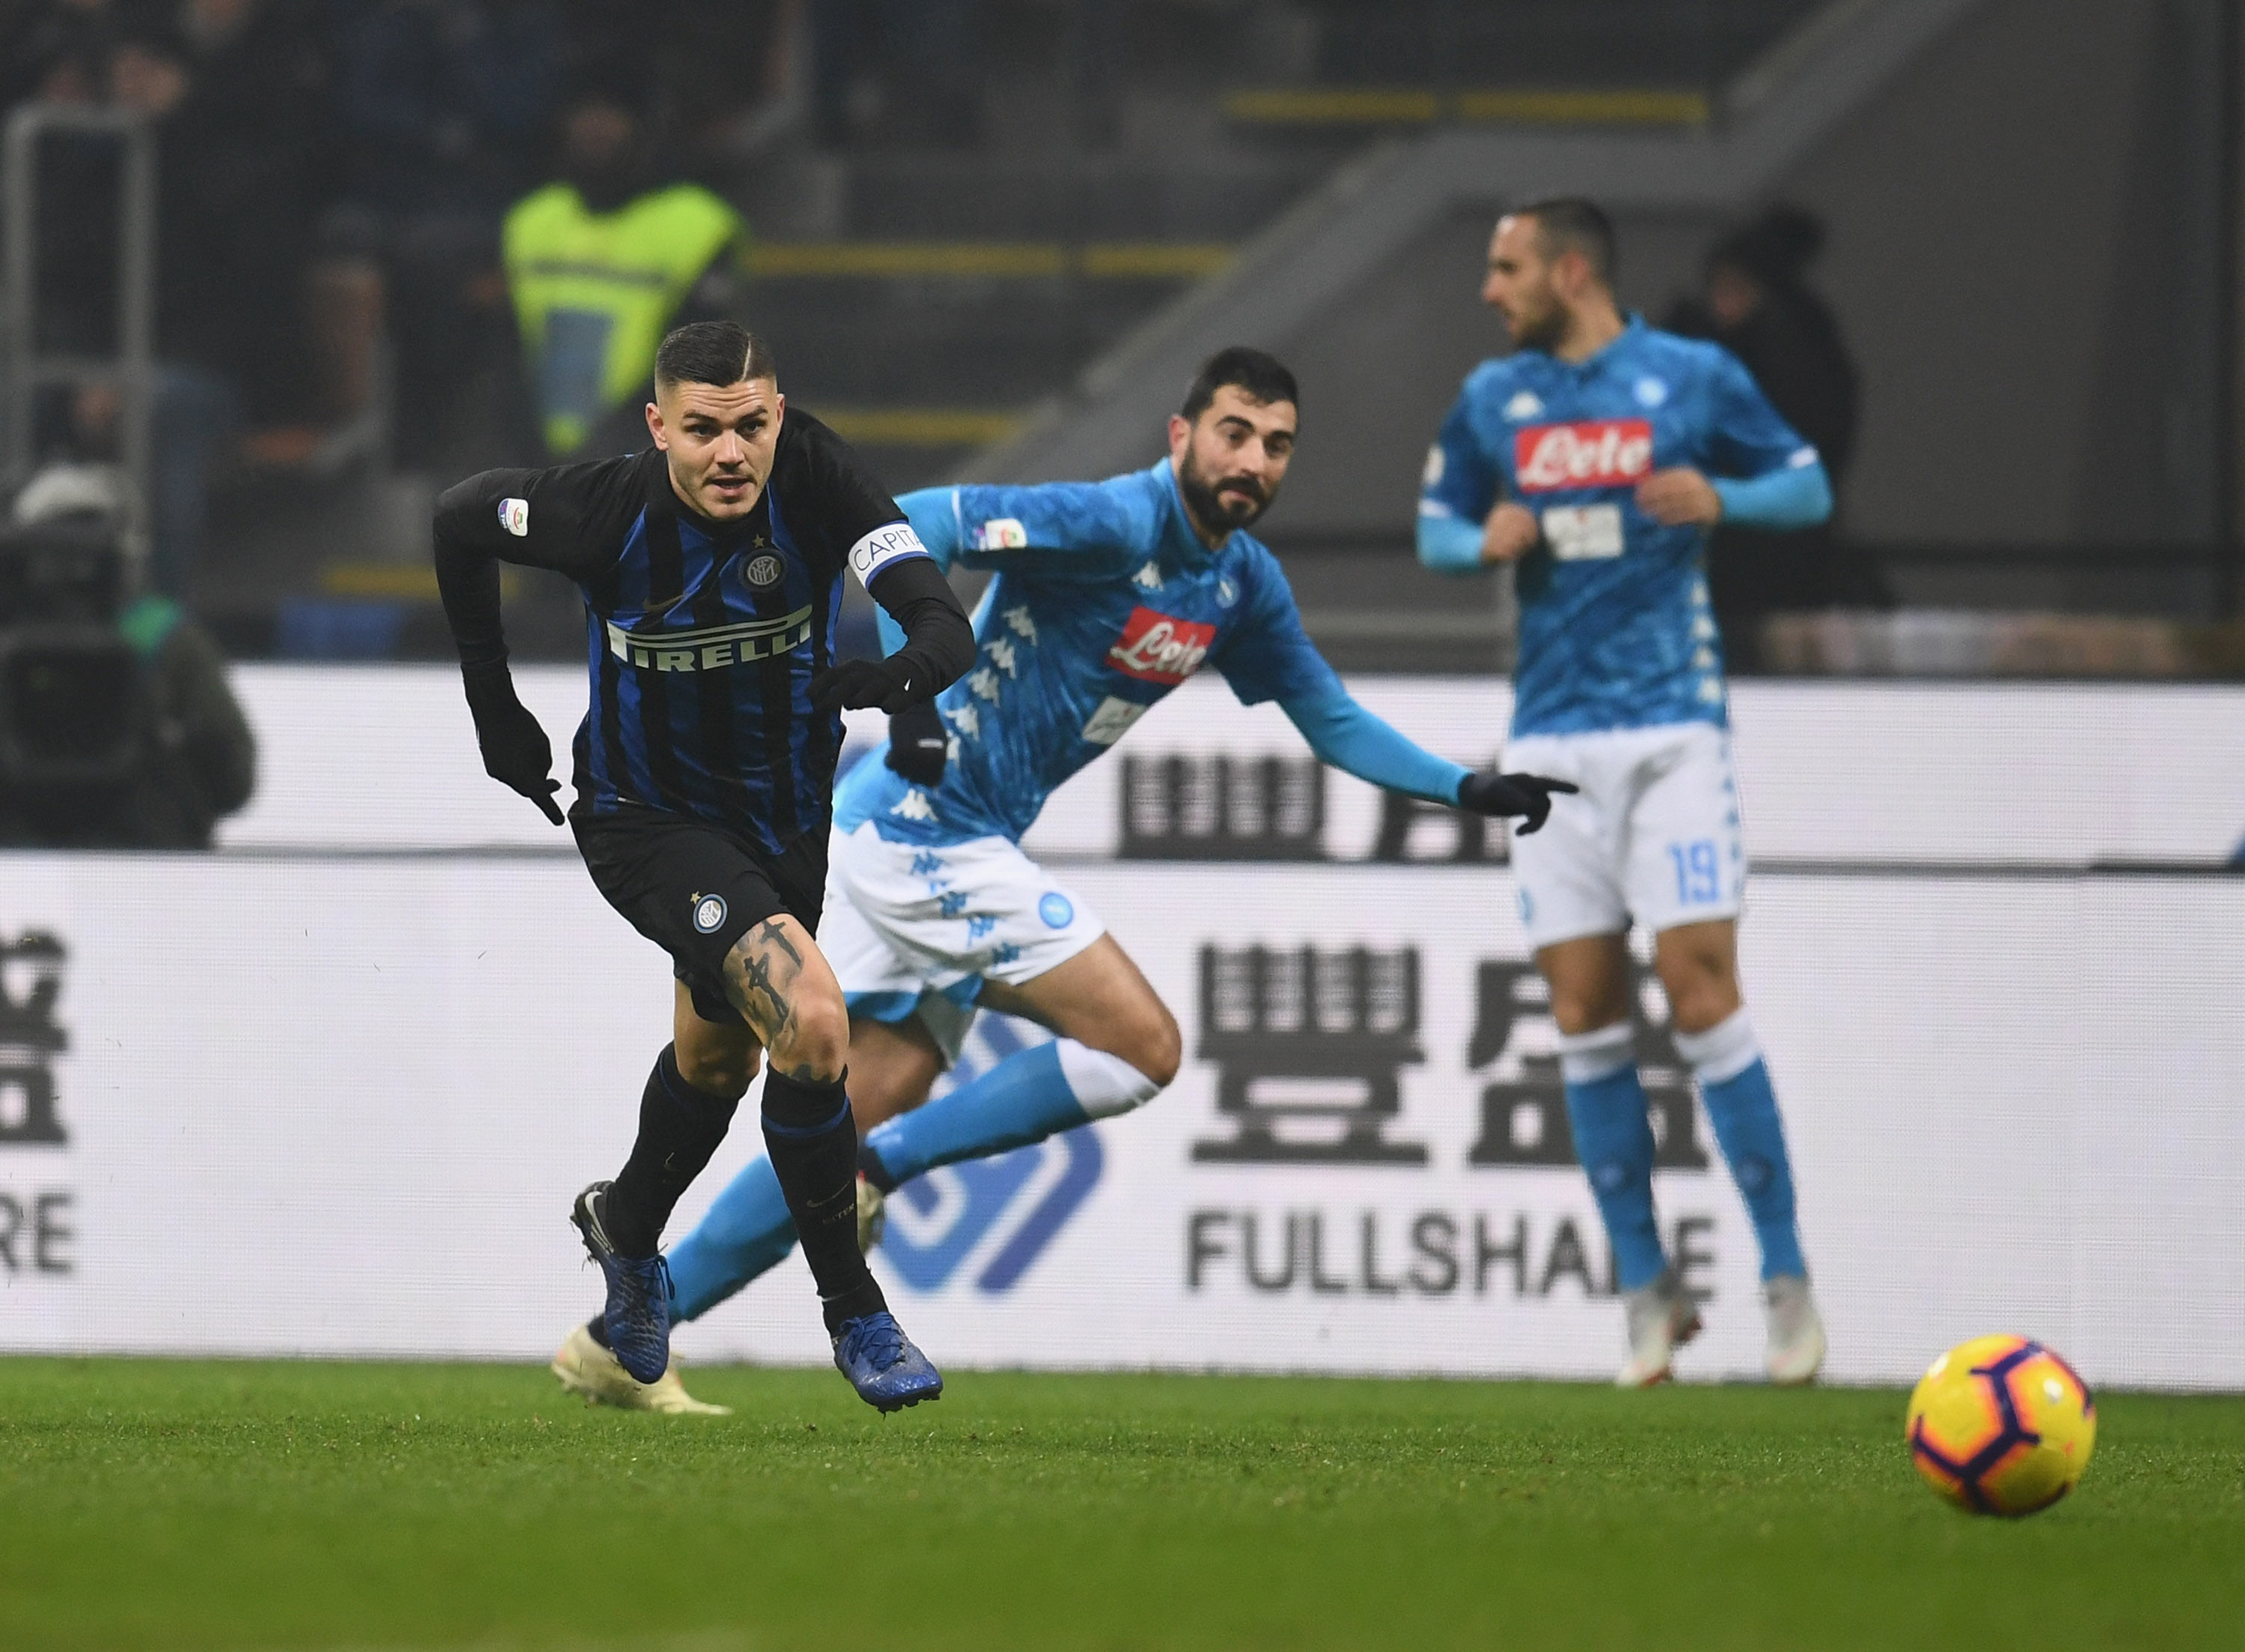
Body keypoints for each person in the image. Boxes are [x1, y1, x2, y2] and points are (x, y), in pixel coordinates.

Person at [547, 346, 1575, 1413]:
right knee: (1143, 1047)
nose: (1253, 461)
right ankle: (868, 1180)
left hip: (927, 837)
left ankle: (614, 1343)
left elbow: (1331, 717)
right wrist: (912, 696)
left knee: (835, 1121)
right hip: (922, 831)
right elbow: (921, 522)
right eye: (1233, 433)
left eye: (1277, 446)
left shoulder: (1239, 584)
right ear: (1181, 435)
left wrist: (1465, 788)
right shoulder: (1115, 522)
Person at [433, 319, 976, 1412]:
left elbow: (938, 619)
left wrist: (899, 677)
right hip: (646, 819)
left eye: (750, 426)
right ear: (658, 427)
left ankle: (626, 1227)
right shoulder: (602, 511)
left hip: (784, 824)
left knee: (717, 1064)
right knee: (813, 1023)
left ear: (778, 415)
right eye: (701, 430)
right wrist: (497, 712)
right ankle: (856, 1312)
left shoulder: (816, 475)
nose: (731, 453)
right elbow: (459, 518)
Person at [1415, 199, 1833, 1388]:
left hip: (1670, 733)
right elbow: (1434, 530)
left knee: (1702, 995)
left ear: (1570, 270)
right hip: (1551, 743)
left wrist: (1724, 498)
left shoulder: (1693, 376)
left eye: (1506, 269)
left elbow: (1806, 486)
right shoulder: (1494, 399)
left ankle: (1785, 1279)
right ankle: (1647, 1292)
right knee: (1583, 1010)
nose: (1490, 291)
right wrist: (1483, 539)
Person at [1664, 206, 1876, 664]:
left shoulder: (1796, 349)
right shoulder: (1697, 345)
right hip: (1717, 545)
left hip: (1779, 550)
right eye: (1719, 286)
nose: (1724, 302)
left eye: (1738, 288)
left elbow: (1816, 435)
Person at [501, 87, 747, 461]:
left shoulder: (699, 225)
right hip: (533, 450)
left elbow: (704, 351)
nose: (594, 128)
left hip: (651, 449)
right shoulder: (530, 220)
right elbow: (506, 343)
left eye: (611, 113)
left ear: (643, 125)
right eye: (585, 111)